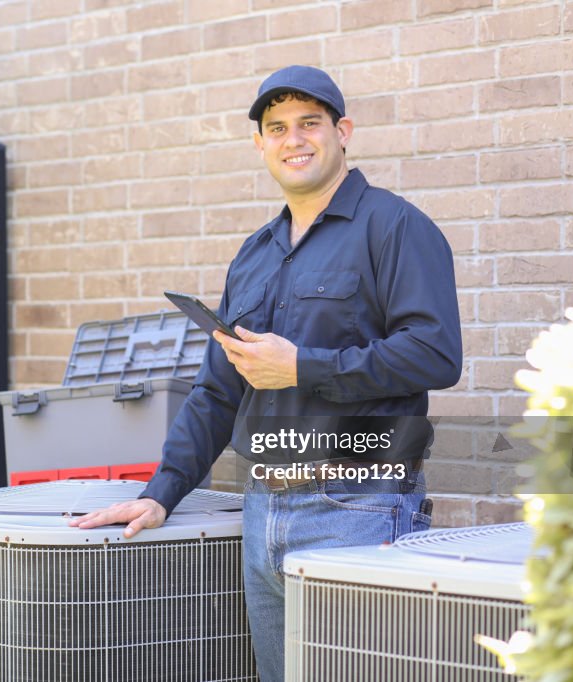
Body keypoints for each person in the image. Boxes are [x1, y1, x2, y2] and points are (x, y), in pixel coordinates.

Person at [70, 65, 463, 681]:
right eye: (276, 127)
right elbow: (217, 390)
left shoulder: (395, 227)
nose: (294, 139)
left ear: (343, 132)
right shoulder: (254, 254)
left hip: (356, 506)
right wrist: (159, 493)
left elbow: (437, 354)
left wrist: (302, 367)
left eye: (310, 122)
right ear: (260, 144)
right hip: (262, 511)